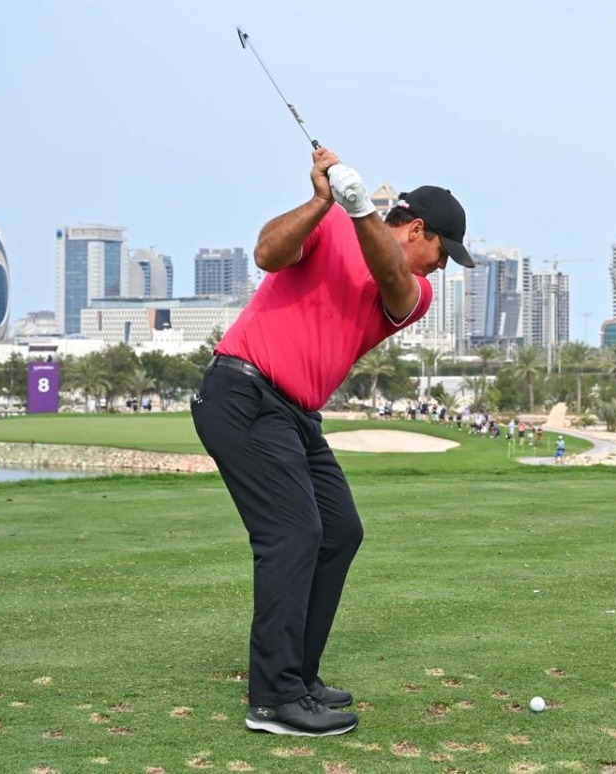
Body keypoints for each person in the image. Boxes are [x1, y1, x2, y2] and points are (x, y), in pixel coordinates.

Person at [191, 147, 472, 737]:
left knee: (340, 530)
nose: (441, 269)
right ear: (417, 229)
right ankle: (272, 700)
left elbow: (391, 277)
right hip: (241, 394)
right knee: (292, 533)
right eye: (442, 254)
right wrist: (325, 201)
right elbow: (267, 252)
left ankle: (297, 677)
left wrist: (359, 210)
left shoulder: (414, 291)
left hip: (294, 415)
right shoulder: (330, 226)